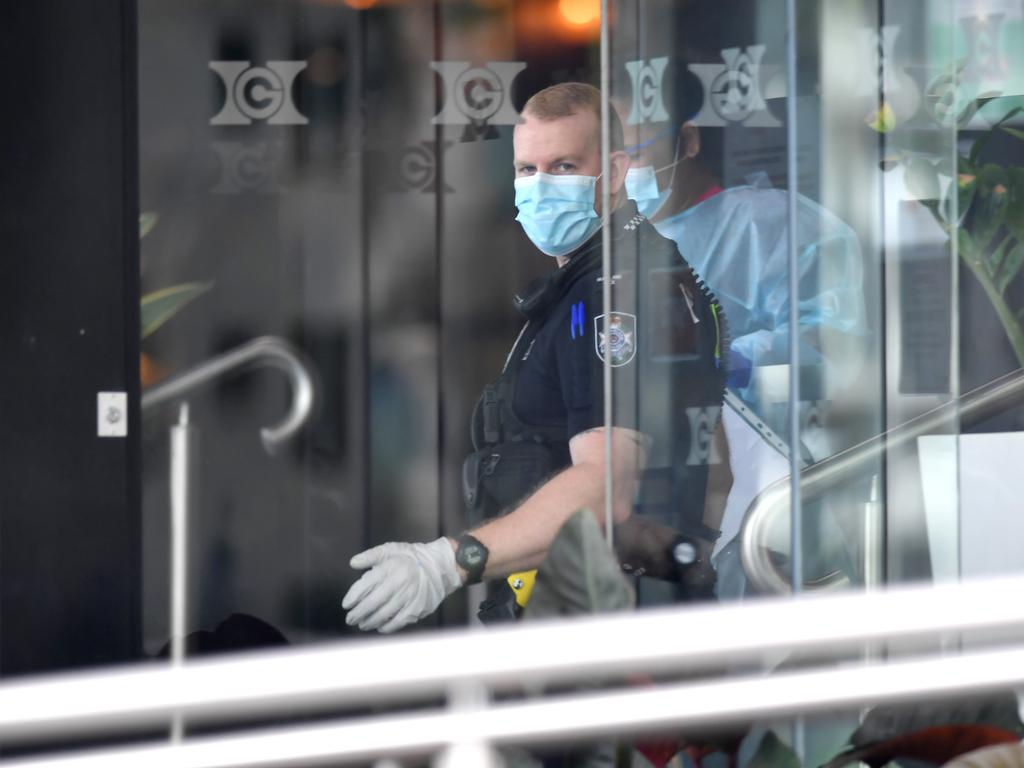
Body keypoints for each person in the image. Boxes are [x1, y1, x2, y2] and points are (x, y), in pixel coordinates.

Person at [342, 83, 728, 633]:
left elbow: (604, 491)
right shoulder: (625, 277)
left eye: (564, 166)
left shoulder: (612, 294)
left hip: (604, 631)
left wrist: (448, 562)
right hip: (621, 615)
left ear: (614, 173)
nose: (542, 187)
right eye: (527, 170)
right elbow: (717, 470)